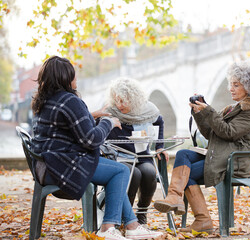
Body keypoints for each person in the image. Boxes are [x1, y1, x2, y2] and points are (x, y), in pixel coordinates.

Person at [31, 56, 162, 240]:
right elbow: (91, 140)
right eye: (73, 76)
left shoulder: (45, 101)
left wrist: (96, 114)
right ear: (65, 78)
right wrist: (108, 122)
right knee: (121, 172)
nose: (76, 80)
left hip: (45, 166)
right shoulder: (70, 101)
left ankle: (132, 225)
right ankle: (108, 227)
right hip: (62, 167)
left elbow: (68, 125)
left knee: (116, 171)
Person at [154, 61, 250, 233]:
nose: (230, 88)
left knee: (186, 173)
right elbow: (211, 133)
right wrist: (199, 113)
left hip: (233, 162)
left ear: (249, 87)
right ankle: (175, 197)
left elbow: (228, 132)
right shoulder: (233, 109)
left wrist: (209, 110)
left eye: (236, 85)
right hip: (221, 155)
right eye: (230, 84)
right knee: (183, 154)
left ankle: (201, 219)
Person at [95, 77, 169, 225]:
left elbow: (159, 121)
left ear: (134, 99)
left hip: (142, 156)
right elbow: (96, 130)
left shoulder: (147, 110)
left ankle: (142, 212)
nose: (119, 105)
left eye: (123, 101)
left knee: (149, 173)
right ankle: (125, 217)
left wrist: (159, 146)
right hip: (118, 157)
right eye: (117, 100)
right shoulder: (110, 111)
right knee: (133, 174)